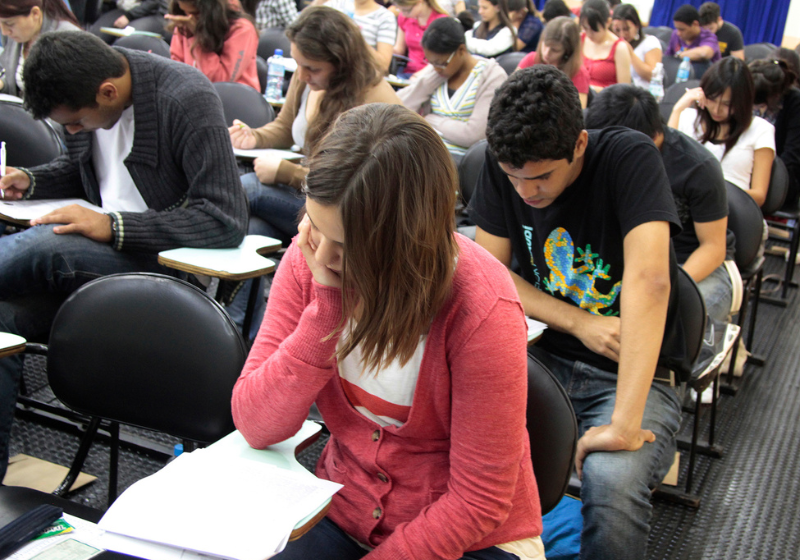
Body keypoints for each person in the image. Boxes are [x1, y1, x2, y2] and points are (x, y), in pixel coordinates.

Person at [231, 102, 545, 560]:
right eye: (315, 226)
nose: (324, 255)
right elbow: (257, 424)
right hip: (345, 510)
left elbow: (479, 501)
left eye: (349, 246)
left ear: (407, 244)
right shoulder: (310, 258)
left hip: (472, 537)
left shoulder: (481, 307)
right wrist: (324, 313)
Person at [0, 30, 248, 485]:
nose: (72, 132)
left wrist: (115, 227)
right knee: (2, 320)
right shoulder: (90, 89)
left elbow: (226, 219)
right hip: (93, 265)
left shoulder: (186, 97)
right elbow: (83, 174)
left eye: (75, 123)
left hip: (162, 271)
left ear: (107, 91)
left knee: (49, 245)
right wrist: (31, 181)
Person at [469, 65, 686, 560]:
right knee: (457, 445)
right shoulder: (504, 163)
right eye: (514, 178)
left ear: (581, 145)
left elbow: (651, 281)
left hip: (635, 375)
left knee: (611, 483)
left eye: (542, 176)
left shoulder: (628, 157)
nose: (527, 192)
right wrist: (580, 322)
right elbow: (492, 275)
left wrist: (625, 424)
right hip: (543, 355)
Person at [226, 6, 401, 338]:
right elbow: (283, 128)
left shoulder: (373, 98)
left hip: (341, 210)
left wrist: (287, 173)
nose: (302, 75)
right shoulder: (307, 76)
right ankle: (243, 331)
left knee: (245, 189)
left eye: (311, 68)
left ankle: (236, 324)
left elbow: (365, 182)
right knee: (254, 229)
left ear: (340, 63)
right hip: (306, 195)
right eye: (298, 65)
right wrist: (255, 137)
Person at [586, 84, 734, 322]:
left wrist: (666, 290)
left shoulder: (697, 167)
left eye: (614, 149)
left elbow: (713, 248)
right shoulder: (596, 141)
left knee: (671, 323)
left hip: (688, 263)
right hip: (623, 258)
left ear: (651, 137)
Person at [669, 57, 775, 208]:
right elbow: (666, 167)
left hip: (735, 212)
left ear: (742, 102)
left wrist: (708, 193)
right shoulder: (687, 117)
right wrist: (677, 109)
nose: (717, 110)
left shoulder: (760, 129)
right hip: (687, 207)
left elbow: (759, 195)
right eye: (712, 99)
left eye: (727, 104)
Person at [398, 16, 507, 161]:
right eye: (430, 63)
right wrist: (426, 83)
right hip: (427, 152)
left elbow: (473, 135)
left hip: (463, 161)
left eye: (441, 63)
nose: (436, 68)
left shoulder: (491, 76)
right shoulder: (437, 74)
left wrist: (429, 120)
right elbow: (399, 107)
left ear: (461, 50)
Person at [167, 0, 259, 90]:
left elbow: (220, 82)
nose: (188, 18)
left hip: (233, 99)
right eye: (184, 12)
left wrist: (198, 38)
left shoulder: (242, 29)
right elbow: (176, 70)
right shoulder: (185, 24)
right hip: (193, 95)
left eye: (195, 13)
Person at [0, 0, 79, 98]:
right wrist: (2, 84)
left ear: (35, 13)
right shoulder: (16, 34)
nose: (4, 32)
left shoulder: (67, 42)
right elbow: (13, 81)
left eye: (9, 24)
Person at [750, 58, 800, 207]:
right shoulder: (749, 94)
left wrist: (761, 175)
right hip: (747, 168)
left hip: (778, 177)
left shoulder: (795, 103)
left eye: (759, 104)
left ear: (776, 95)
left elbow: (791, 157)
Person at [517, 16, 589, 108]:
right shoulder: (531, 59)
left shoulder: (578, 73)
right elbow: (510, 91)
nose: (546, 53)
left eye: (555, 50)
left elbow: (579, 112)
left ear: (567, 51)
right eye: (545, 45)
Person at [319, 0, 397, 73]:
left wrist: (356, 37)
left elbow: (383, 66)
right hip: (326, 66)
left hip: (360, 75)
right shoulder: (335, 4)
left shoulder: (385, 17)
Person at [579, 0, 630, 90]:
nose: (589, 34)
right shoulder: (580, 40)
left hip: (605, 101)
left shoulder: (619, 48)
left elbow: (624, 91)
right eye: (585, 28)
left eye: (594, 30)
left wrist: (590, 90)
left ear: (608, 22)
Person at [612, 3, 661, 89]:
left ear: (637, 25)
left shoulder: (650, 42)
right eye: (617, 30)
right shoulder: (612, 44)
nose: (622, 34)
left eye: (626, 29)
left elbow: (652, 76)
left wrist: (629, 52)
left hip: (643, 93)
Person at [393, 0, 447, 79]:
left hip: (431, 74)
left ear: (420, 2)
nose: (404, 14)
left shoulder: (441, 22)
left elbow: (441, 60)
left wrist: (417, 76)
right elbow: (399, 50)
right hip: (408, 72)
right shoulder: (404, 18)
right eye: (400, 10)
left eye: (407, 10)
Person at [89, 0, 169, 45]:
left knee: (126, 41)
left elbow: (155, 2)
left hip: (152, 12)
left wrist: (130, 15)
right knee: (95, 37)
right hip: (123, 9)